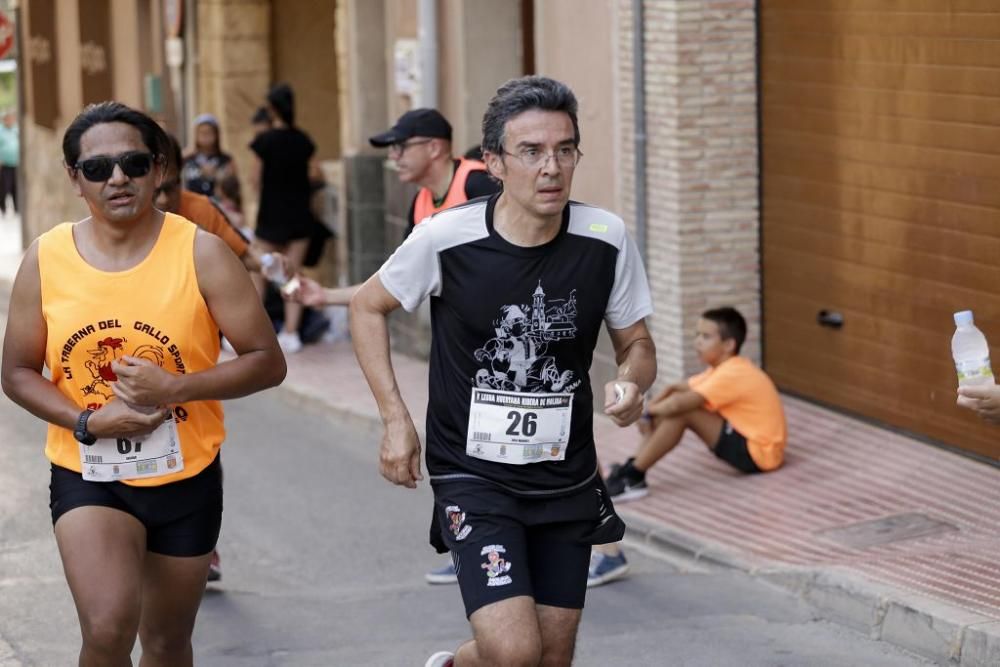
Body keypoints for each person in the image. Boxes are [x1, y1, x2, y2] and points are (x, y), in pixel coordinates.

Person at [350, 75, 656, 667]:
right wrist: (395, 419)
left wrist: (632, 381)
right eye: (532, 152)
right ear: (493, 162)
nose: (552, 167)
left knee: (551, 656)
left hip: (564, 477)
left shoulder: (605, 238)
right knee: (515, 652)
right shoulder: (447, 237)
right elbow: (368, 305)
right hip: (473, 474)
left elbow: (636, 341)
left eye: (565, 150)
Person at [0, 101, 286, 666]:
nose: (118, 178)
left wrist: (174, 389)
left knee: (165, 641)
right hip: (90, 472)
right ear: (75, 179)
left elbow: (266, 361)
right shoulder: (48, 257)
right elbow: (16, 371)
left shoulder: (202, 252)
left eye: (133, 162)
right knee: (107, 628)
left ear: (158, 170)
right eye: (97, 168)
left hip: (187, 475)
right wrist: (86, 421)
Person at [289, 108, 499, 312]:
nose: (393, 156)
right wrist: (325, 296)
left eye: (400, 146)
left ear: (434, 148)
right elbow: (397, 278)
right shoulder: (420, 204)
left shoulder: (479, 184)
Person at [604, 307, 787, 503]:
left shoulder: (734, 373)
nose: (697, 342)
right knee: (671, 409)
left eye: (706, 337)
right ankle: (630, 470)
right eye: (697, 335)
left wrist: (647, 412)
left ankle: (633, 476)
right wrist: (652, 412)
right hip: (747, 441)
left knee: (683, 413)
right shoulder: (721, 370)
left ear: (728, 345)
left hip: (760, 454)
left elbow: (678, 405)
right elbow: (675, 389)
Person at [250, 84, 317, 354]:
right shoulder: (303, 140)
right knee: (293, 273)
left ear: (272, 109)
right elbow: (314, 174)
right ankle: (291, 333)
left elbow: (254, 179)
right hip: (299, 215)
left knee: (258, 272)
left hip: (271, 214)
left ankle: (249, 332)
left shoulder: (264, 142)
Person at [181, 113, 235, 198]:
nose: (205, 136)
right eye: (202, 132)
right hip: (192, 204)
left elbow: (233, 186)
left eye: (209, 132)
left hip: (217, 205)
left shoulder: (225, 159)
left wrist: (217, 174)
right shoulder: (188, 158)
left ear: (216, 135)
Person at [0, 109, 18, 215]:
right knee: (4, 187)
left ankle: (17, 208)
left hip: (15, 163)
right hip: (4, 164)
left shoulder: (16, 130)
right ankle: (3, 208)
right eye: (8, 119)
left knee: (15, 186)